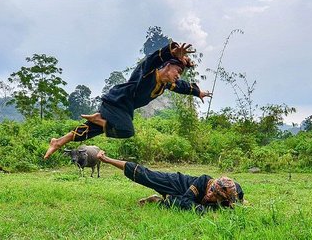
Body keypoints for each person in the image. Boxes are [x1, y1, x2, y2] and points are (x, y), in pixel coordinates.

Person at [44, 42, 212, 159]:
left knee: (91, 130)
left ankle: (58, 142)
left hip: (123, 108)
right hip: (116, 101)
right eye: (177, 71)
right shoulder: (148, 73)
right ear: (167, 66)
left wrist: (198, 92)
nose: (177, 76)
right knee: (127, 130)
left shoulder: (164, 85)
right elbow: (152, 59)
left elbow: (182, 86)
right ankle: (98, 120)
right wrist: (172, 51)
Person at [96, 150, 244, 214]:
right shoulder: (204, 180)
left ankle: (156, 200)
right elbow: (187, 201)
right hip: (176, 182)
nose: (211, 195)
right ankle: (107, 159)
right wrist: (203, 209)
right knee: (147, 175)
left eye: (215, 196)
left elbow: (239, 201)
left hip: (181, 197)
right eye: (211, 191)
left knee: (175, 204)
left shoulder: (234, 192)